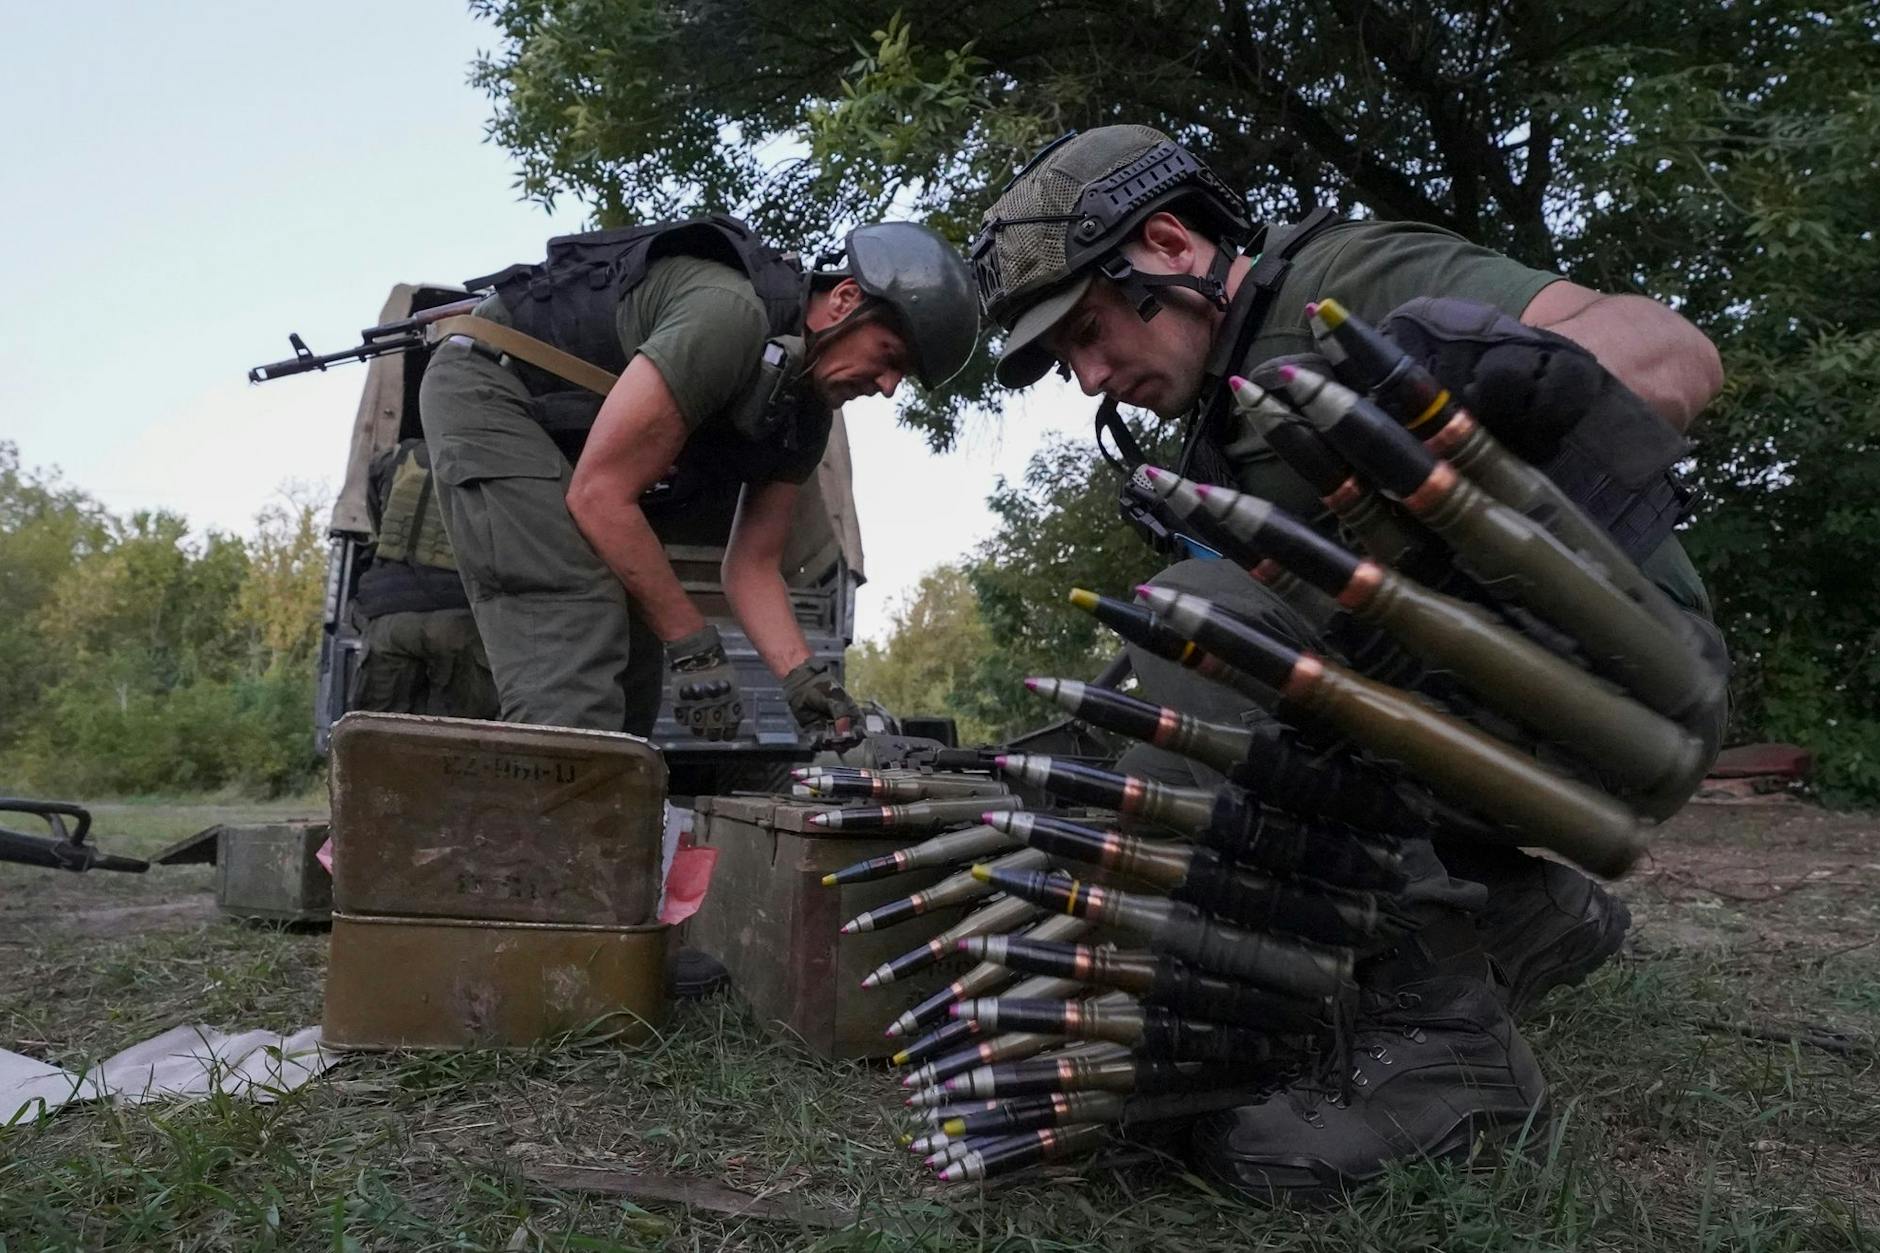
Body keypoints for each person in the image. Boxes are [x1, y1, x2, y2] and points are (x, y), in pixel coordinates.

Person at [970, 126, 1727, 1201]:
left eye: (1087, 328)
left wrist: (1485, 396)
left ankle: (1448, 1039)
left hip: (1626, 682)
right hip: (1483, 717)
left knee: (1195, 619)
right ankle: (1511, 910)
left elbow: (1672, 350)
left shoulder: (1344, 279)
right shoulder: (1212, 427)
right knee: (1172, 668)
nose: (1087, 374)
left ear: (1170, 244)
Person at [420, 216, 978, 745]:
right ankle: (540, 840)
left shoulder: (807, 417)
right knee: (576, 627)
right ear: (845, 300)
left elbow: (753, 565)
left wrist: (802, 679)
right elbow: (600, 496)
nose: (887, 387)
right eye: (890, 357)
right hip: (490, 386)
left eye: (902, 376)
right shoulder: (729, 315)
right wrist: (695, 645)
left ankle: (596, 833)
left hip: (571, 443)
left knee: (635, 664)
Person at [347, 438, 500, 721]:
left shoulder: (394, 457)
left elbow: (375, 520)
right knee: (458, 744)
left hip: (388, 613)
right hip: (457, 615)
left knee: (377, 742)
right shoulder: (495, 457)